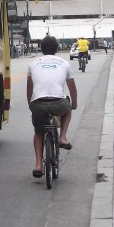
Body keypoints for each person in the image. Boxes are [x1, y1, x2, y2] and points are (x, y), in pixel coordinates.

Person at [26, 35, 77, 178]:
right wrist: (74, 103)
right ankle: (63, 137)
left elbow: (29, 89)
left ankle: (37, 165)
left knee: (38, 131)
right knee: (68, 109)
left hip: (38, 104)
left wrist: (30, 104)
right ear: (56, 49)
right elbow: (72, 89)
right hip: (58, 104)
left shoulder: (33, 64)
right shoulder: (64, 63)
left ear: (41, 49)